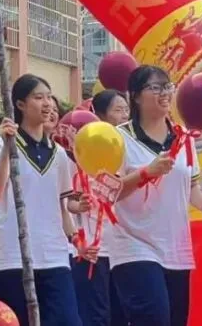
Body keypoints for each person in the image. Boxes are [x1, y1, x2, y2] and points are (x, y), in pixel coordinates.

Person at [107, 65, 202, 326]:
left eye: (167, 87)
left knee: (175, 320)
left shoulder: (183, 139)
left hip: (175, 249)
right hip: (133, 245)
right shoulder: (118, 139)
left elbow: (192, 188)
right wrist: (145, 173)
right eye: (155, 87)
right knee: (153, 317)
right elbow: (107, 192)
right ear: (136, 96)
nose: (164, 93)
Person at [0, 75, 82, 326]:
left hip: (53, 256)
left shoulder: (59, 155)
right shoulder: (2, 146)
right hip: (12, 256)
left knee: (67, 319)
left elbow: (62, 209)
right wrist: (8, 147)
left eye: (49, 97)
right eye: (39, 98)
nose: (47, 103)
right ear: (20, 105)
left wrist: (76, 239)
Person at [68, 89, 129, 326]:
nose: (124, 115)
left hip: (126, 248)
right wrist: (79, 205)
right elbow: (68, 201)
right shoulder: (83, 152)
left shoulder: (129, 150)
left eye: (126, 109)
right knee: (98, 316)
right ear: (100, 114)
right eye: (118, 110)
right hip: (95, 250)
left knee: (122, 315)